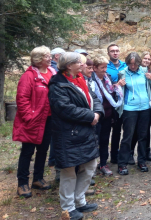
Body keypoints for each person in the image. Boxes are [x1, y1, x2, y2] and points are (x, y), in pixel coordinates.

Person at [48, 52, 104, 220]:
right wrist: (90, 116)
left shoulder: (80, 79)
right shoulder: (57, 85)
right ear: (68, 66)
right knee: (69, 171)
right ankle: (68, 207)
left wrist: (97, 114)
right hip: (68, 134)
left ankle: (80, 200)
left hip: (85, 132)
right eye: (79, 62)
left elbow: (95, 98)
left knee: (90, 166)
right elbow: (65, 108)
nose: (83, 65)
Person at [13, 46, 56, 198]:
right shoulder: (28, 76)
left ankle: (38, 178)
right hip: (33, 120)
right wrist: (29, 118)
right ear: (38, 60)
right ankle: (22, 183)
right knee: (27, 152)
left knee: (43, 149)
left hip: (49, 119)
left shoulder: (52, 72)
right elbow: (22, 99)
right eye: (47, 56)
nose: (50, 58)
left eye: (50, 55)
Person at [116, 52, 151, 174]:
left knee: (143, 136)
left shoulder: (144, 71)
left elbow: (150, 87)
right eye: (130, 64)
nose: (133, 66)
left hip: (145, 108)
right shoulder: (123, 73)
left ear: (139, 63)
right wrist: (118, 85)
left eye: (135, 64)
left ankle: (141, 161)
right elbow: (118, 90)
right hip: (129, 109)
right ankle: (122, 164)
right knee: (128, 136)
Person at [91, 56, 124, 177]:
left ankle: (103, 164)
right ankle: (92, 166)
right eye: (102, 67)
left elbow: (112, 93)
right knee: (94, 141)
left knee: (105, 140)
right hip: (95, 116)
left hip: (108, 114)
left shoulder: (107, 78)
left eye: (106, 67)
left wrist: (117, 87)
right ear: (95, 68)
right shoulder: (91, 80)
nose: (105, 69)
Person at [130, 51, 151, 165]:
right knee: (135, 131)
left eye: (149, 59)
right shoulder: (136, 71)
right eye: (145, 58)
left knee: (145, 131)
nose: (147, 61)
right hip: (134, 106)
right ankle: (131, 153)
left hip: (148, 104)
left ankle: (146, 151)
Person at [106, 44, 127, 165]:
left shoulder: (125, 65)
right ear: (108, 53)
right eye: (112, 51)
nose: (115, 53)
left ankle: (123, 153)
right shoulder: (106, 67)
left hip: (125, 102)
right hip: (111, 103)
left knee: (124, 130)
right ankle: (113, 155)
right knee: (114, 130)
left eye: (117, 51)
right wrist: (116, 84)